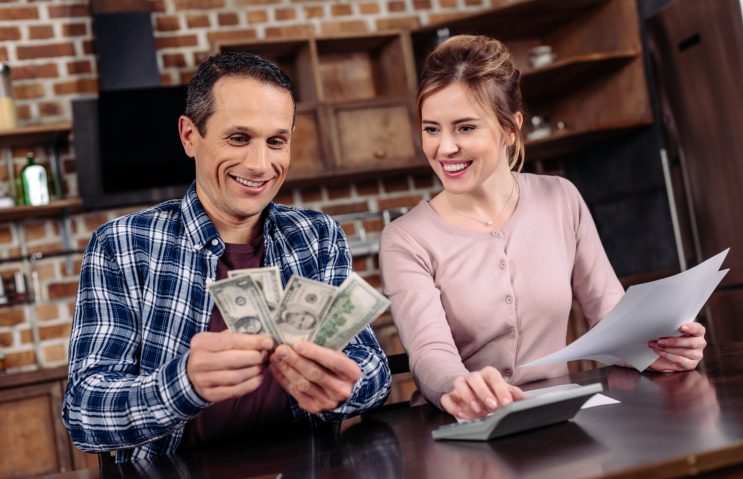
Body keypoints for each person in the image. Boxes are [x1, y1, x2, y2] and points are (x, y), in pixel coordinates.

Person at [63, 52, 391, 462]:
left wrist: (346, 388)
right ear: (189, 136)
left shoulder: (317, 236)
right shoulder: (123, 245)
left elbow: (375, 371)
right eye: (238, 138)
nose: (259, 164)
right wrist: (183, 383)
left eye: (276, 141)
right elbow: (83, 413)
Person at [379, 35, 707, 421]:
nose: (444, 147)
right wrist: (457, 387)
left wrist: (660, 348)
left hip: (559, 419)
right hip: (461, 428)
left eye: (465, 128)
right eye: (431, 129)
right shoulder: (405, 239)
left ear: (510, 128)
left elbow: (612, 316)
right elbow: (429, 352)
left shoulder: (560, 198)